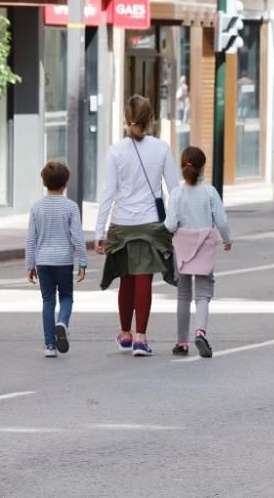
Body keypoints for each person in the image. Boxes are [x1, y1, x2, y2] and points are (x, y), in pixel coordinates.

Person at [96, 95, 180, 357]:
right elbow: (175, 190)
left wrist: (100, 231)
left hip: (122, 224)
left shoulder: (115, 151)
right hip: (151, 225)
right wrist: (176, 223)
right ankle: (141, 339)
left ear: (126, 119)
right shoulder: (161, 148)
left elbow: (107, 194)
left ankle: (125, 333)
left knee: (126, 280)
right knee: (144, 278)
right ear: (151, 119)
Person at [165, 146, 232, 358]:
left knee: (183, 295)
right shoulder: (210, 192)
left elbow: (170, 224)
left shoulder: (176, 193)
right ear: (203, 168)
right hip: (205, 246)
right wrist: (228, 239)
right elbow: (221, 220)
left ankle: (181, 342)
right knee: (203, 295)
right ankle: (200, 332)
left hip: (182, 249)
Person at [25, 161, 87, 358]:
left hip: (43, 260)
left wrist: (30, 264)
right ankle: (62, 322)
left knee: (48, 300)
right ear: (66, 182)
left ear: (43, 181)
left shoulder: (36, 207)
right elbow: (77, 236)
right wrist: (83, 261)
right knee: (67, 297)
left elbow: (31, 238)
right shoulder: (70, 207)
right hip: (64, 260)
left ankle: (49, 345)